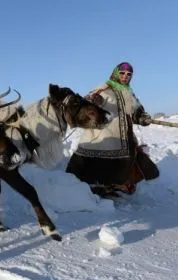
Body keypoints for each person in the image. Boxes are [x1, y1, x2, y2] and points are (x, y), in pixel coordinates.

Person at [66, 61, 159, 197]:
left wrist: (142, 117)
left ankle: (114, 186)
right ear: (116, 73)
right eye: (122, 73)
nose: (125, 76)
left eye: (129, 74)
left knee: (123, 163)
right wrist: (96, 101)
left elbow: (136, 112)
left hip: (123, 137)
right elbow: (89, 101)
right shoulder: (104, 88)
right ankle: (90, 189)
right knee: (97, 164)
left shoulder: (129, 93)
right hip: (103, 135)